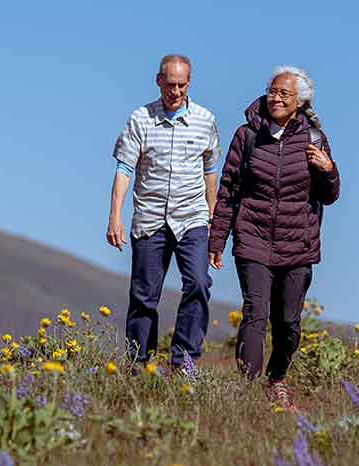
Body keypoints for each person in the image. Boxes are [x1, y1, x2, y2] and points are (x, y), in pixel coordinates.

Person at [208, 66, 340, 410]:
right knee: (255, 311)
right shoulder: (246, 135)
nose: (276, 97)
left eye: (284, 93)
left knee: (288, 322)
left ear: (300, 101)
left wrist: (328, 169)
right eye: (272, 91)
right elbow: (228, 190)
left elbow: (328, 196)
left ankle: (276, 377)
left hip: (298, 244)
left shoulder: (314, 139)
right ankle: (250, 390)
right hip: (252, 237)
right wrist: (217, 239)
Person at [107, 54, 221, 370]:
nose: (175, 92)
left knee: (198, 283)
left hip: (192, 217)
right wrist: (115, 215)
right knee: (144, 295)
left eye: (181, 85)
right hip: (151, 217)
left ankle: (184, 362)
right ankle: (138, 363)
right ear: (159, 81)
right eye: (170, 84)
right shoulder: (140, 119)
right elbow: (124, 168)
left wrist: (214, 218)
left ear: (189, 83)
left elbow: (210, 170)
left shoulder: (205, 120)